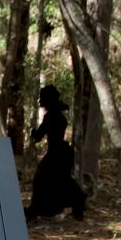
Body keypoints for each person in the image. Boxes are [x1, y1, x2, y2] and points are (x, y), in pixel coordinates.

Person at [25, 85, 86, 221]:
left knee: (43, 179)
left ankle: (36, 210)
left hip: (56, 153)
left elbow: (38, 136)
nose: (40, 100)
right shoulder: (58, 116)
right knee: (58, 180)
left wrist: (32, 132)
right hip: (62, 152)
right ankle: (73, 204)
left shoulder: (50, 117)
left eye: (42, 98)